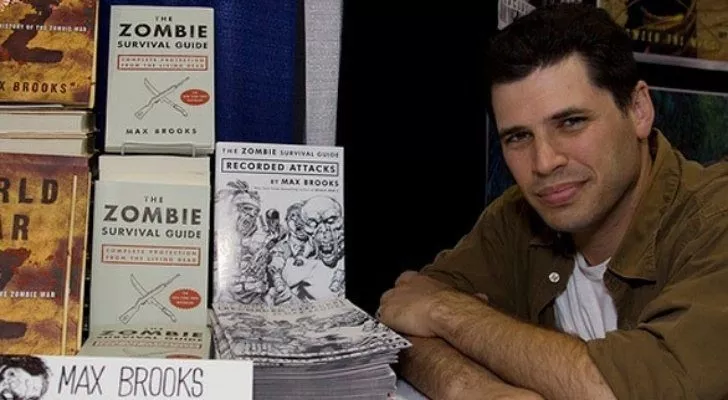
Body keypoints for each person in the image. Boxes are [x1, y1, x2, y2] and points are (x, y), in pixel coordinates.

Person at [377, 4, 728, 400]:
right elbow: (403, 318)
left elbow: (632, 390)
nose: (544, 163)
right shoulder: (518, 217)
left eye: (571, 122)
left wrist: (448, 313)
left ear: (639, 110)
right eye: (518, 137)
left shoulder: (715, 218)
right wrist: (473, 389)